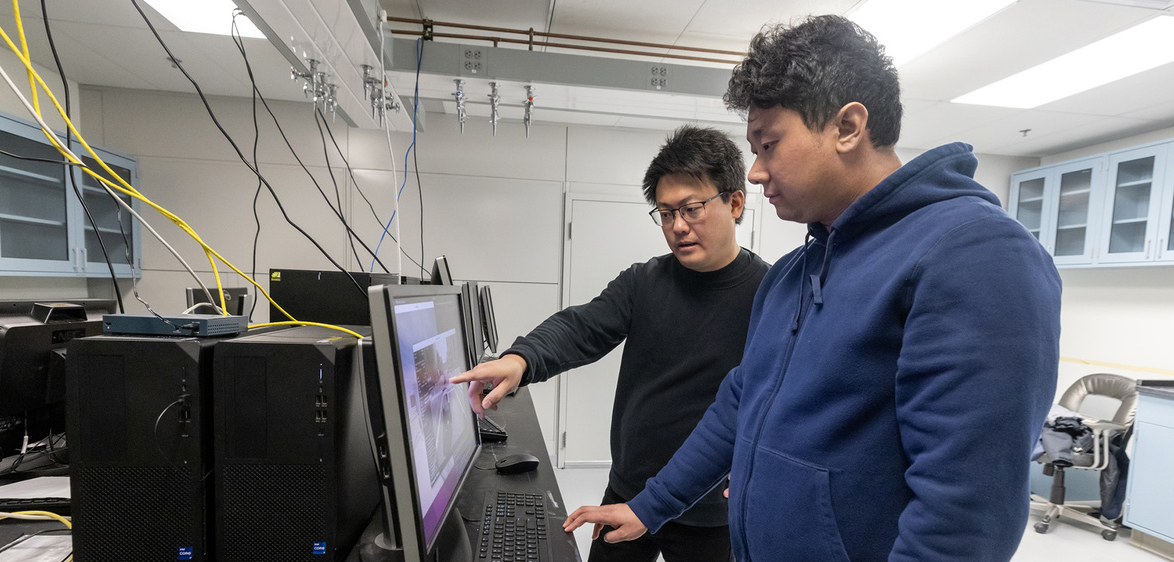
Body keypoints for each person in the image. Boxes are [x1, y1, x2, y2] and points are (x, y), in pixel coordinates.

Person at [563, 15, 1061, 562]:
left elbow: (964, 514)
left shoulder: (974, 254)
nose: (754, 172)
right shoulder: (793, 273)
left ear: (848, 127)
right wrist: (651, 505)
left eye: (769, 144)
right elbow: (739, 403)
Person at [450, 125, 770, 562]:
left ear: (734, 203)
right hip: (627, 491)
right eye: (665, 212)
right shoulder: (645, 281)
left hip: (711, 513)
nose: (678, 226)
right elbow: (581, 327)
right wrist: (520, 359)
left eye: (692, 209)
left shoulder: (770, 294)